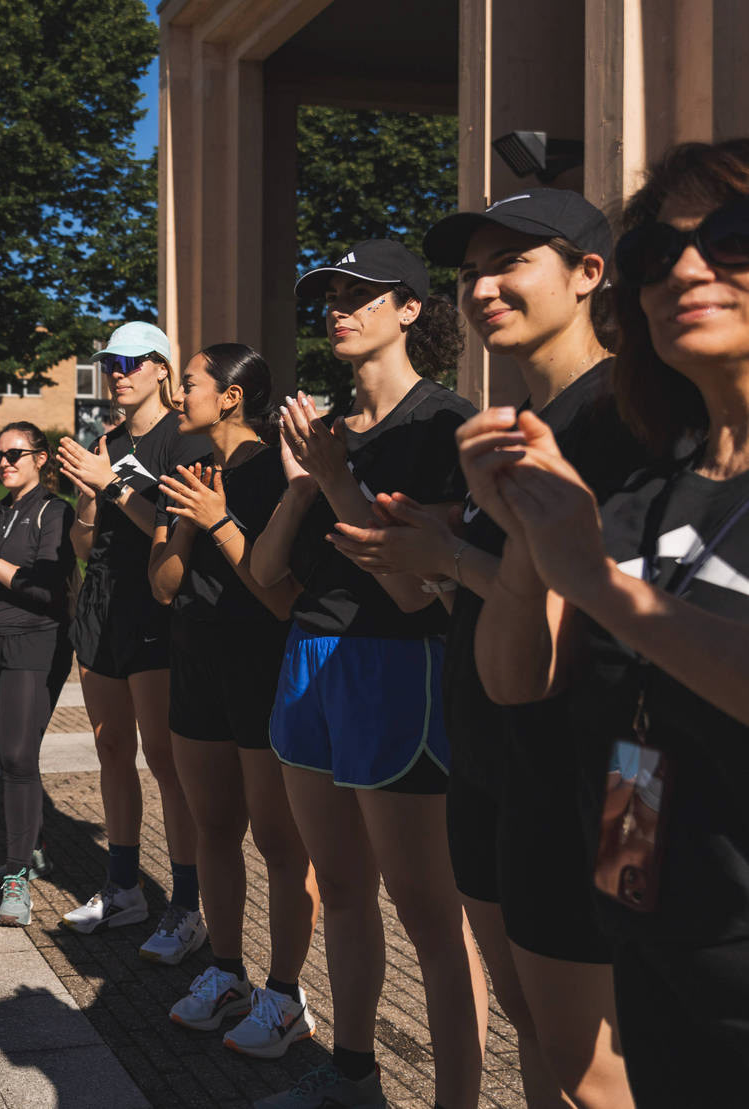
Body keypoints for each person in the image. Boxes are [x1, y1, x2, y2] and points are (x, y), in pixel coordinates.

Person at [332, 192, 641, 1106]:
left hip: (589, 775)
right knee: (530, 1022)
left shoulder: (623, 419)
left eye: (511, 262)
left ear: (588, 274)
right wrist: (434, 556)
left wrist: (448, 558)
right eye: (471, 272)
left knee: (599, 1062)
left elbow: (604, 611)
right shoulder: (510, 423)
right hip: (490, 757)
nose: (482, 288)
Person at [466, 139, 749, 1104]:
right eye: (653, 255)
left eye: (730, 237)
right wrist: (523, 535)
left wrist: (598, 582)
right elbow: (516, 680)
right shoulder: (646, 489)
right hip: (653, 920)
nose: (685, 270)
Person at [248, 240, 484, 1109]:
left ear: (410, 309)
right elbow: (269, 573)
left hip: (397, 663)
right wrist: (304, 485)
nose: (338, 309)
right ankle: (351, 1077)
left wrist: (336, 478)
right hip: (310, 658)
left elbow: (415, 592)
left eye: (360, 295)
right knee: (342, 889)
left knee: (431, 917)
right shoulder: (327, 433)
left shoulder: (443, 424)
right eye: (330, 297)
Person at [148, 344, 320, 1058]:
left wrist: (219, 520)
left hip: (261, 670)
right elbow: (162, 585)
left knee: (280, 844)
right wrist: (188, 521)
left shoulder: (274, 472)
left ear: (230, 396)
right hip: (195, 668)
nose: (176, 392)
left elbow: (280, 598)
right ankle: (225, 973)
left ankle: (284, 995)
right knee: (212, 828)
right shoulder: (187, 471)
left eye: (188, 382)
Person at [54, 321, 207, 963]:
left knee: (165, 759)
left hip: (154, 603)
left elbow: (175, 532)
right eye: (110, 364)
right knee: (110, 746)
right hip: (102, 602)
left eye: (131, 362)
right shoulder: (107, 441)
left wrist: (113, 483)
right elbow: (84, 542)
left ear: (163, 369)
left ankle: (188, 904)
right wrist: (90, 496)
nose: (117, 374)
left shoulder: (182, 438)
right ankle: (123, 889)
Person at [0, 423, 75, 926]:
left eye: (15, 454)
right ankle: (34, 843)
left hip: (36, 642)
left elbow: (44, 589)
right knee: (13, 755)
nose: (3, 461)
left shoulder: (55, 512)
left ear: (41, 459)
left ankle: (17, 875)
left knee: (18, 757)